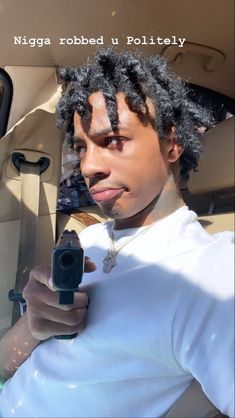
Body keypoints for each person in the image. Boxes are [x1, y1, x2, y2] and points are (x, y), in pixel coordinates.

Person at [0, 49, 234, 417]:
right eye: (81, 147)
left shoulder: (209, 270)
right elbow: (5, 363)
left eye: (113, 141)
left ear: (172, 144)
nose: (89, 167)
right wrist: (34, 324)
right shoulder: (86, 240)